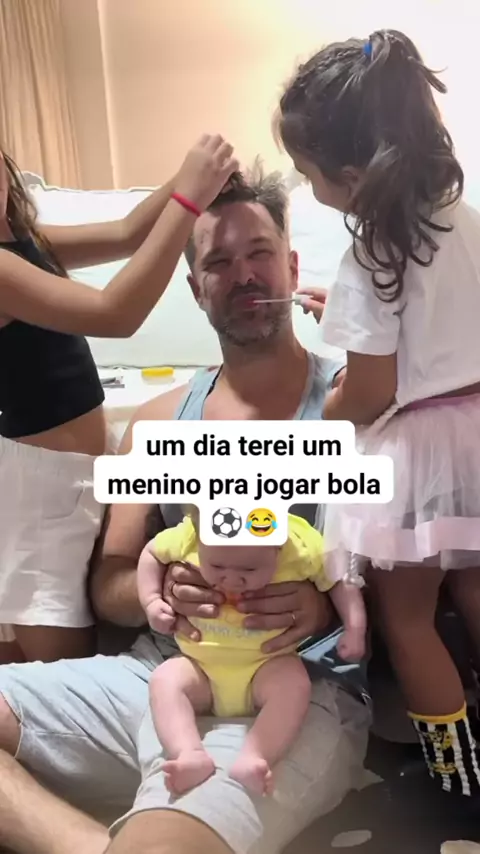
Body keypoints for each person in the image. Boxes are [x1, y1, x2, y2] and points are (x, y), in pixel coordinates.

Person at [0, 165, 370, 854]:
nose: (244, 275)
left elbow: (399, 581)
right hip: (158, 676)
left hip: (293, 692)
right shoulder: (157, 422)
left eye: (259, 253)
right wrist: (160, 593)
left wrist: (321, 607)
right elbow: (112, 583)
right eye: (218, 264)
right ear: (195, 288)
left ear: (292, 268)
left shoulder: (356, 408)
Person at [275, 27, 480, 795]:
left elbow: (371, 392)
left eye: (309, 175)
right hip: (473, 431)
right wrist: (351, 312)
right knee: (476, 588)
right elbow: (437, 322)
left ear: (353, 177)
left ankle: (458, 780)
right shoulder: (463, 218)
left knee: (409, 619)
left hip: (416, 455)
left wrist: (330, 404)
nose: (310, 189)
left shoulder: (369, 259)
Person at [0, 134, 238, 665]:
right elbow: (115, 313)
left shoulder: (26, 241)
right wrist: (188, 199)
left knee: (34, 657)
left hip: (66, 480)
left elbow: (127, 232)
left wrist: (193, 179)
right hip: (39, 492)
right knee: (57, 675)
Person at [138, 506, 366, 796]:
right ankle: (188, 753)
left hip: (266, 665)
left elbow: (339, 578)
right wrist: (151, 600)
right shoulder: (189, 534)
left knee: (293, 685)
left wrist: (354, 627)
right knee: (165, 680)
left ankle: (256, 755)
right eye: (217, 566)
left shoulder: (301, 545)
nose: (232, 580)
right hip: (199, 667)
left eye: (249, 570)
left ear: (278, 544)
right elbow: (152, 553)